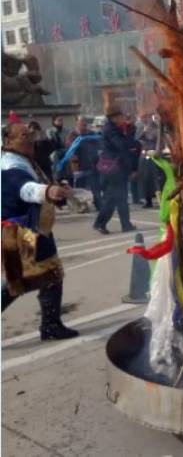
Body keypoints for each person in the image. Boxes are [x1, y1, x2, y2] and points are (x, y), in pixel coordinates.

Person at [1, 123, 79, 340]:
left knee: (36, 278)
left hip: (31, 229)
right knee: (38, 278)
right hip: (22, 232)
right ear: (8, 141)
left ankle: (51, 325)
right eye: (22, 136)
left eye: (30, 134)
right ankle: (50, 326)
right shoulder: (10, 165)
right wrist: (47, 191)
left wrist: (57, 189)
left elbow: (40, 185)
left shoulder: (25, 160)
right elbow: (25, 189)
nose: (29, 139)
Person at [93, 106, 139, 234]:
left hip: (119, 167)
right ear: (114, 118)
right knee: (113, 197)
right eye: (120, 116)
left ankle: (126, 224)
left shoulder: (117, 128)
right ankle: (99, 223)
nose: (123, 118)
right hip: (113, 168)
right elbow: (121, 145)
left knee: (122, 197)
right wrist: (133, 141)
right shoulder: (111, 129)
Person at [65, 116, 102, 212]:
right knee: (79, 189)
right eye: (81, 124)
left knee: (95, 186)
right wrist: (75, 168)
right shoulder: (72, 135)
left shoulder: (91, 134)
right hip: (78, 166)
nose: (83, 126)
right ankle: (81, 206)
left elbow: (98, 145)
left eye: (85, 124)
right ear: (77, 124)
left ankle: (99, 204)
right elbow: (70, 150)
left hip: (91, 165)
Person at [135, 114, 161, 208]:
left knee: (156, 178)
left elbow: (159, 140)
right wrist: (144, 132)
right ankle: (148, 200)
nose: (145, 119)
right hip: (144, 155)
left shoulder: (157, 128)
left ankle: (160, 199)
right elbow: (137, 139)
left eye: (147, 117)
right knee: (145, 179)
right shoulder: (140, 127)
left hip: (154, 154)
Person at [45, 115, 68, 181]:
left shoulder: (65, 131)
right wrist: (55, 133)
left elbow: (67, 142)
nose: (61, 122)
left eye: (62, 120)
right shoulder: (49, 131)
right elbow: (52, 143)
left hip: (64, 149)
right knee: (54, 155)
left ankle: (69, 176)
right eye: (59, 120)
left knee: (70, 154)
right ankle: (57, 177)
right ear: (54, 122)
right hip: (54, 150)